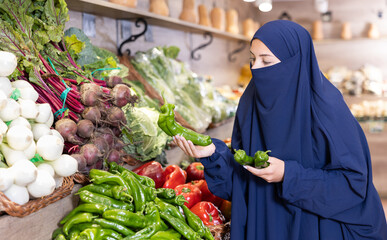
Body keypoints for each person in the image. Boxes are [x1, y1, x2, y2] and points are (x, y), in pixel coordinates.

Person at [172, 20, 387, 239]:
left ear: (294, 63)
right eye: (253, 60)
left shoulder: (326, 107)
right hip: (265, 223)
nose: (255, 69)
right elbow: (242, 180)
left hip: (317, 229)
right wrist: (212, 154)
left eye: (267, 61)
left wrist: (288, 174)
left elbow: (352, 185)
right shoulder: (250, 104)